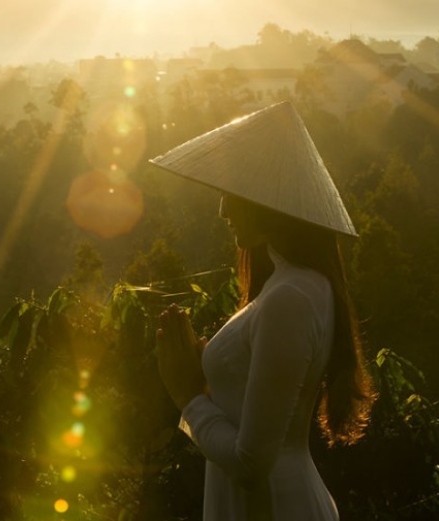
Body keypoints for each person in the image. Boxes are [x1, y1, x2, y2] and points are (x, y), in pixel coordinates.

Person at [149, 101, 375, 520]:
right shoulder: (292, 287)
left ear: (270, 198)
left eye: (232, 192)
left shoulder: (290, 298)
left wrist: (187, 396)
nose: (223, 210)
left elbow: (252, 462)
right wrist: (208, 383)